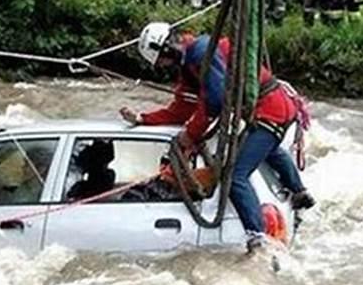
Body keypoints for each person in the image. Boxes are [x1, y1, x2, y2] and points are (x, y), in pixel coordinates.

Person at [120, 23, 315, 250]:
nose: (164, 67)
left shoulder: (202, 53)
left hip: (270, 109)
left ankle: (257, 237)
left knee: (234, 176)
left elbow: (214, 101)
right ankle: (298, 192)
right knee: (265, 150)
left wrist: (191, 134)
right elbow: (181, 109)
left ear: (166, 49)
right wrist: (143, 118)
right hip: (270, 108)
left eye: (162, 61)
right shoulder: (191, 66)